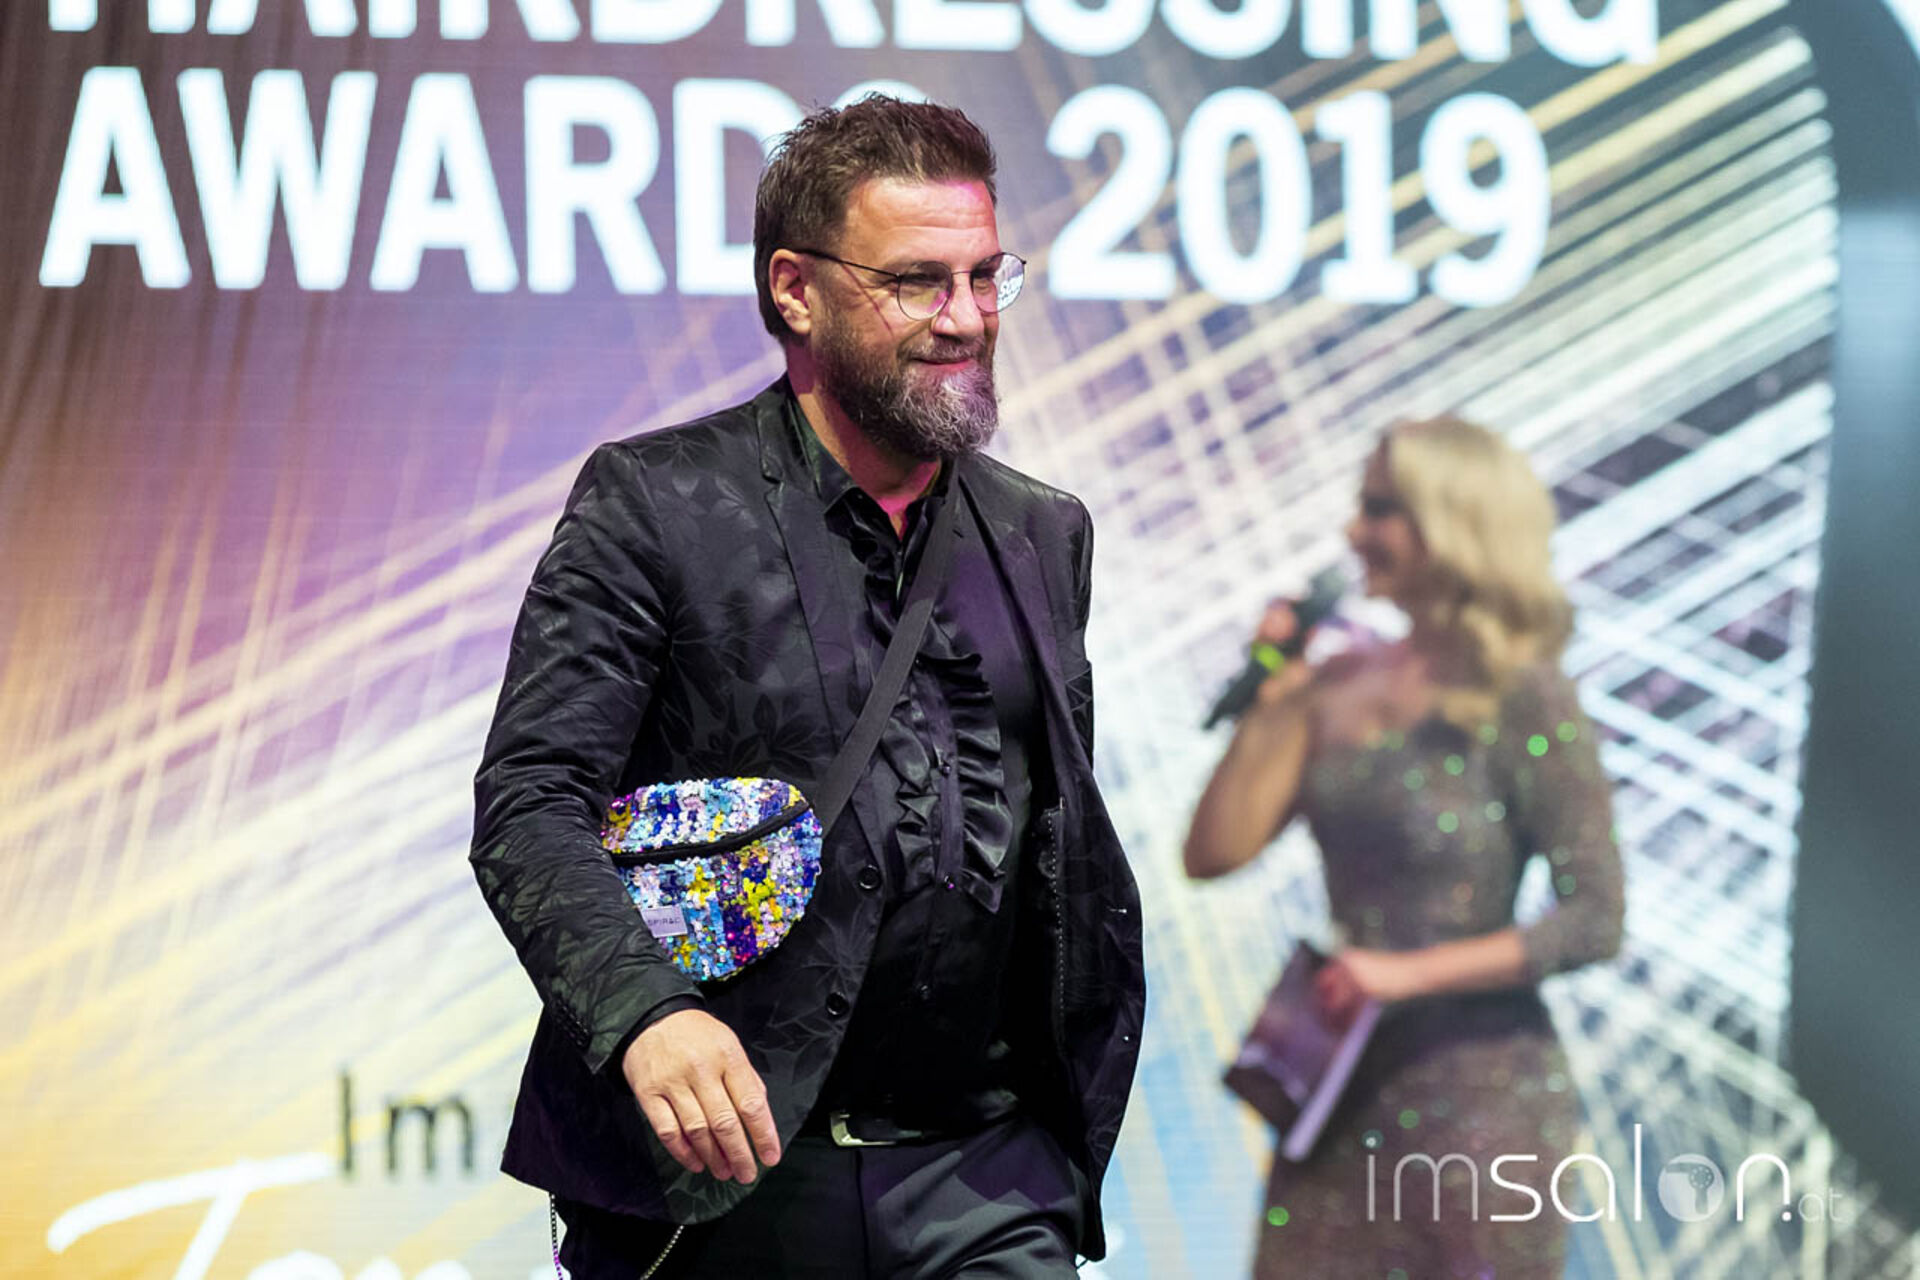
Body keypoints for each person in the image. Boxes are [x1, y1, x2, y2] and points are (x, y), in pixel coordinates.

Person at [469, 96, 1144, 1279]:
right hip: (730, 1181)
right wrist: (646, 1012)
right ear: (796, 290)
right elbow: (531, 803)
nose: (967, 317)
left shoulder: (1044, 532)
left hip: (987, 1177)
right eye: (917, 282)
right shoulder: (657, 505)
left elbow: (1049, 844)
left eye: (986, 276)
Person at [1185, 419, 1625, 1279]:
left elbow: (1595, 918)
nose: (1353, 532)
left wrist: (1401, 974)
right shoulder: (1335, 684)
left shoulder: (1523, 692)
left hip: (1481, 1105)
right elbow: (1210, 853)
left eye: (1380, 509)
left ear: (1453, 522)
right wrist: (1273, 696)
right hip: (1339, 1093)